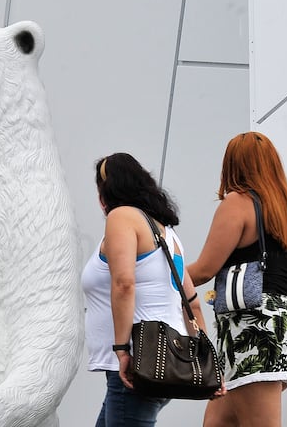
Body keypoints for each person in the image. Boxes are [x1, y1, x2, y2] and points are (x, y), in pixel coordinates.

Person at [187, 132, 287, 427]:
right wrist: (273, 282)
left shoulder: (237, 203)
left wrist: (156, 276)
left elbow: (203, 270)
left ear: (232, 166)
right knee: (218, 422)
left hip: (253, 334)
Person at [81, 153, 217, 427]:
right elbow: (191, 302)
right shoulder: (167, 234)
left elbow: (124, 284)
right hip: (159, 361)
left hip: (138, 361)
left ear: (106, 190)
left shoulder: (122, 217)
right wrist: (207, 362)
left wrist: (121, 350)